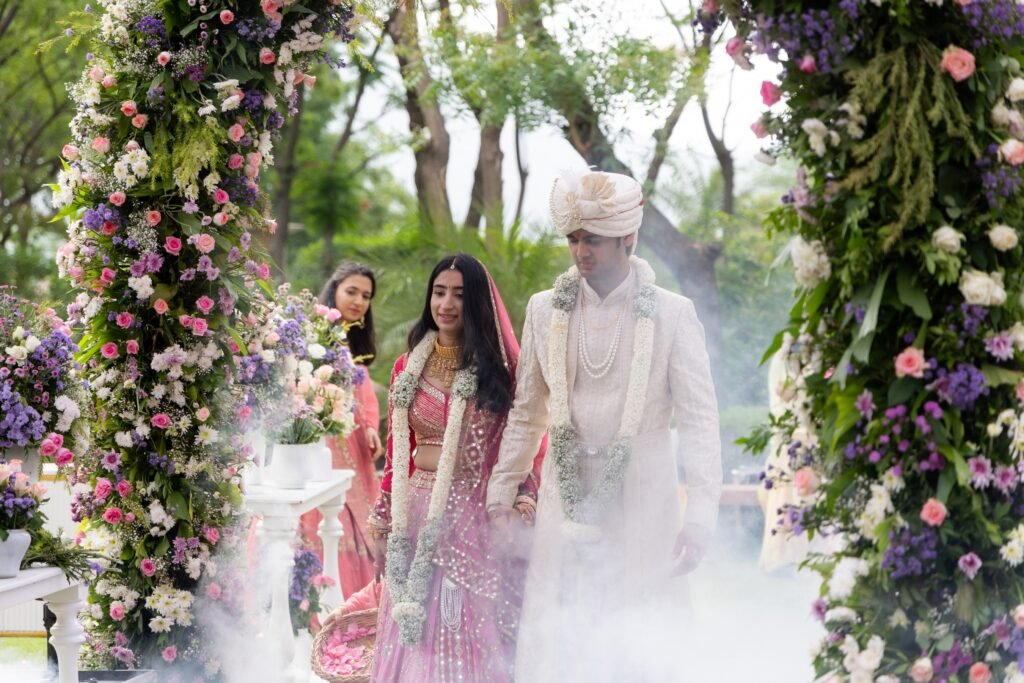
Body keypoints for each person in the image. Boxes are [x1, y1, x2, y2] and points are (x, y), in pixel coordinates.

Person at [486, 171, 723, 681]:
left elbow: (701, 420)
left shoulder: (672, 313)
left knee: (639, 629)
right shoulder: (544, 309)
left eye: (592, 239)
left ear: (628, 238)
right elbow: (528, 410)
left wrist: (701, 516)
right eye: (573, 239)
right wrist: (501, 492)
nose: (580, 251)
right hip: (565, 493)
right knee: (563, 626)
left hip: (644, 496)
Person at [347, 254, 543, 681]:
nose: (446, 304)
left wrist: (523, 498)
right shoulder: (408, 367)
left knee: (458, 627)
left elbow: (523, 444)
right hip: (415, 515)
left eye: (459, 294)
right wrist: (383, 521)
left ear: (477, 303)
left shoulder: (500, 373)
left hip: (471, 519)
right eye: (439, 292)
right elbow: (397, 454)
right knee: (411, 629)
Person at [298, 262, 383, 598]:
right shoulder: (312, 338)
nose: (359, 301)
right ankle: (314, 606)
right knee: (321, 517)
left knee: (351, 523)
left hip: (354, 448)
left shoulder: (352, 346)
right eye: (352, 291)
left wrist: (372, 428)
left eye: (366, 296)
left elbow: (366, 398)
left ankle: (350, 608)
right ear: (334, 291)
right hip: (319, 445)